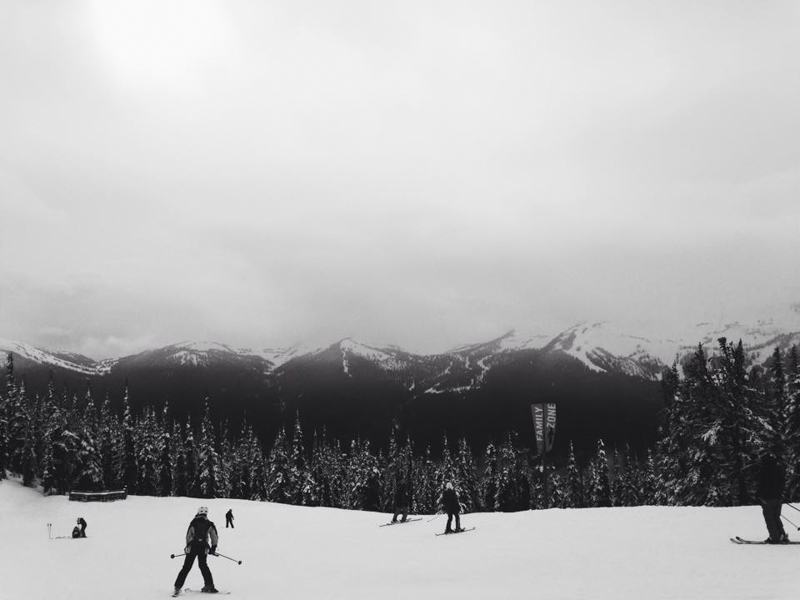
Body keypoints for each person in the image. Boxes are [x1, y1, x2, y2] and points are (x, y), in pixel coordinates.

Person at [173, 506, 219, 595]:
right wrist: (213, 548)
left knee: (186, 567)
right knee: (203, 566)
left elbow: (188, 536)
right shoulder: (209, 524)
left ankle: (177, 587)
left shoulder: (193, 523)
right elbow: (214, 537)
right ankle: (209, 585)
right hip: (203, 548)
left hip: (192, 548)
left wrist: (188, 547)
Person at [757, 452, 788, 544]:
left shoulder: (765, 469)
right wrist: (780, 492)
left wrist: (759, 495)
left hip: (768, 498)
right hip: (778, 497)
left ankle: (775, 537)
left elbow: (762, 484)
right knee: (776, 516)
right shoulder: (778, 468)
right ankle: (782, 535)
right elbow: (782, 481)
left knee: (769, 518)